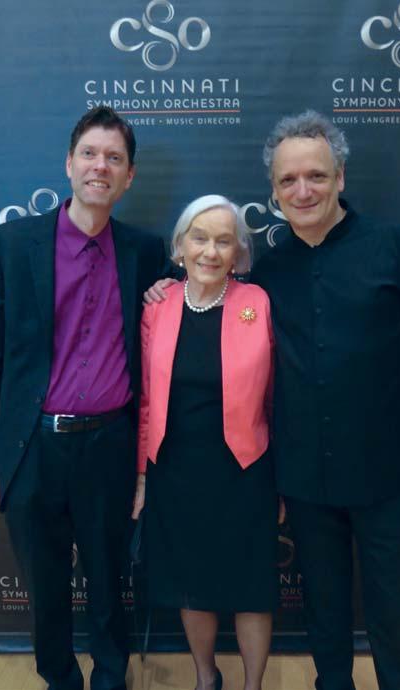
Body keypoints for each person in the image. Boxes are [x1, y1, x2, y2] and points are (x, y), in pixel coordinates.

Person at [144, 112, 400, 690]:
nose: (302, 190)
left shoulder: (396, 249)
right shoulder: (268, 274)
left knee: (392, 616)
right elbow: (204, 282)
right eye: (288, 180)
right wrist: (164, 281)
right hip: (305, 480)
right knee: (324, 617)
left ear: (341, 177)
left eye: (316, 176)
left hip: (389, 475)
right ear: (274, 189)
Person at [0, 106, 166, 690]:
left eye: (114, 158)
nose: (100, 166)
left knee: (108, 582)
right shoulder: (8, 245)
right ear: (69, 164)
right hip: (32, 448)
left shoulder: (145, 252)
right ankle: (59, 678)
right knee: (45, 588)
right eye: (90, 154)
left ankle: (111, 678)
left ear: (129, 176)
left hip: (109, 446)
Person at [132, 195, 279, 690]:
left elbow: (279, 395)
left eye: (223, 241)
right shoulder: (158, 306)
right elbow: (146, 398)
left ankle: (253, 685)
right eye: (199, 238)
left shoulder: (258, 302)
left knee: (251, 587)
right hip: (176, 469)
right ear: (179, 246)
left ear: (238, 252)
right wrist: (142, 473)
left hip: (246, 467)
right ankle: (205, 677)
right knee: (191, 584)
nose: (210, 251)